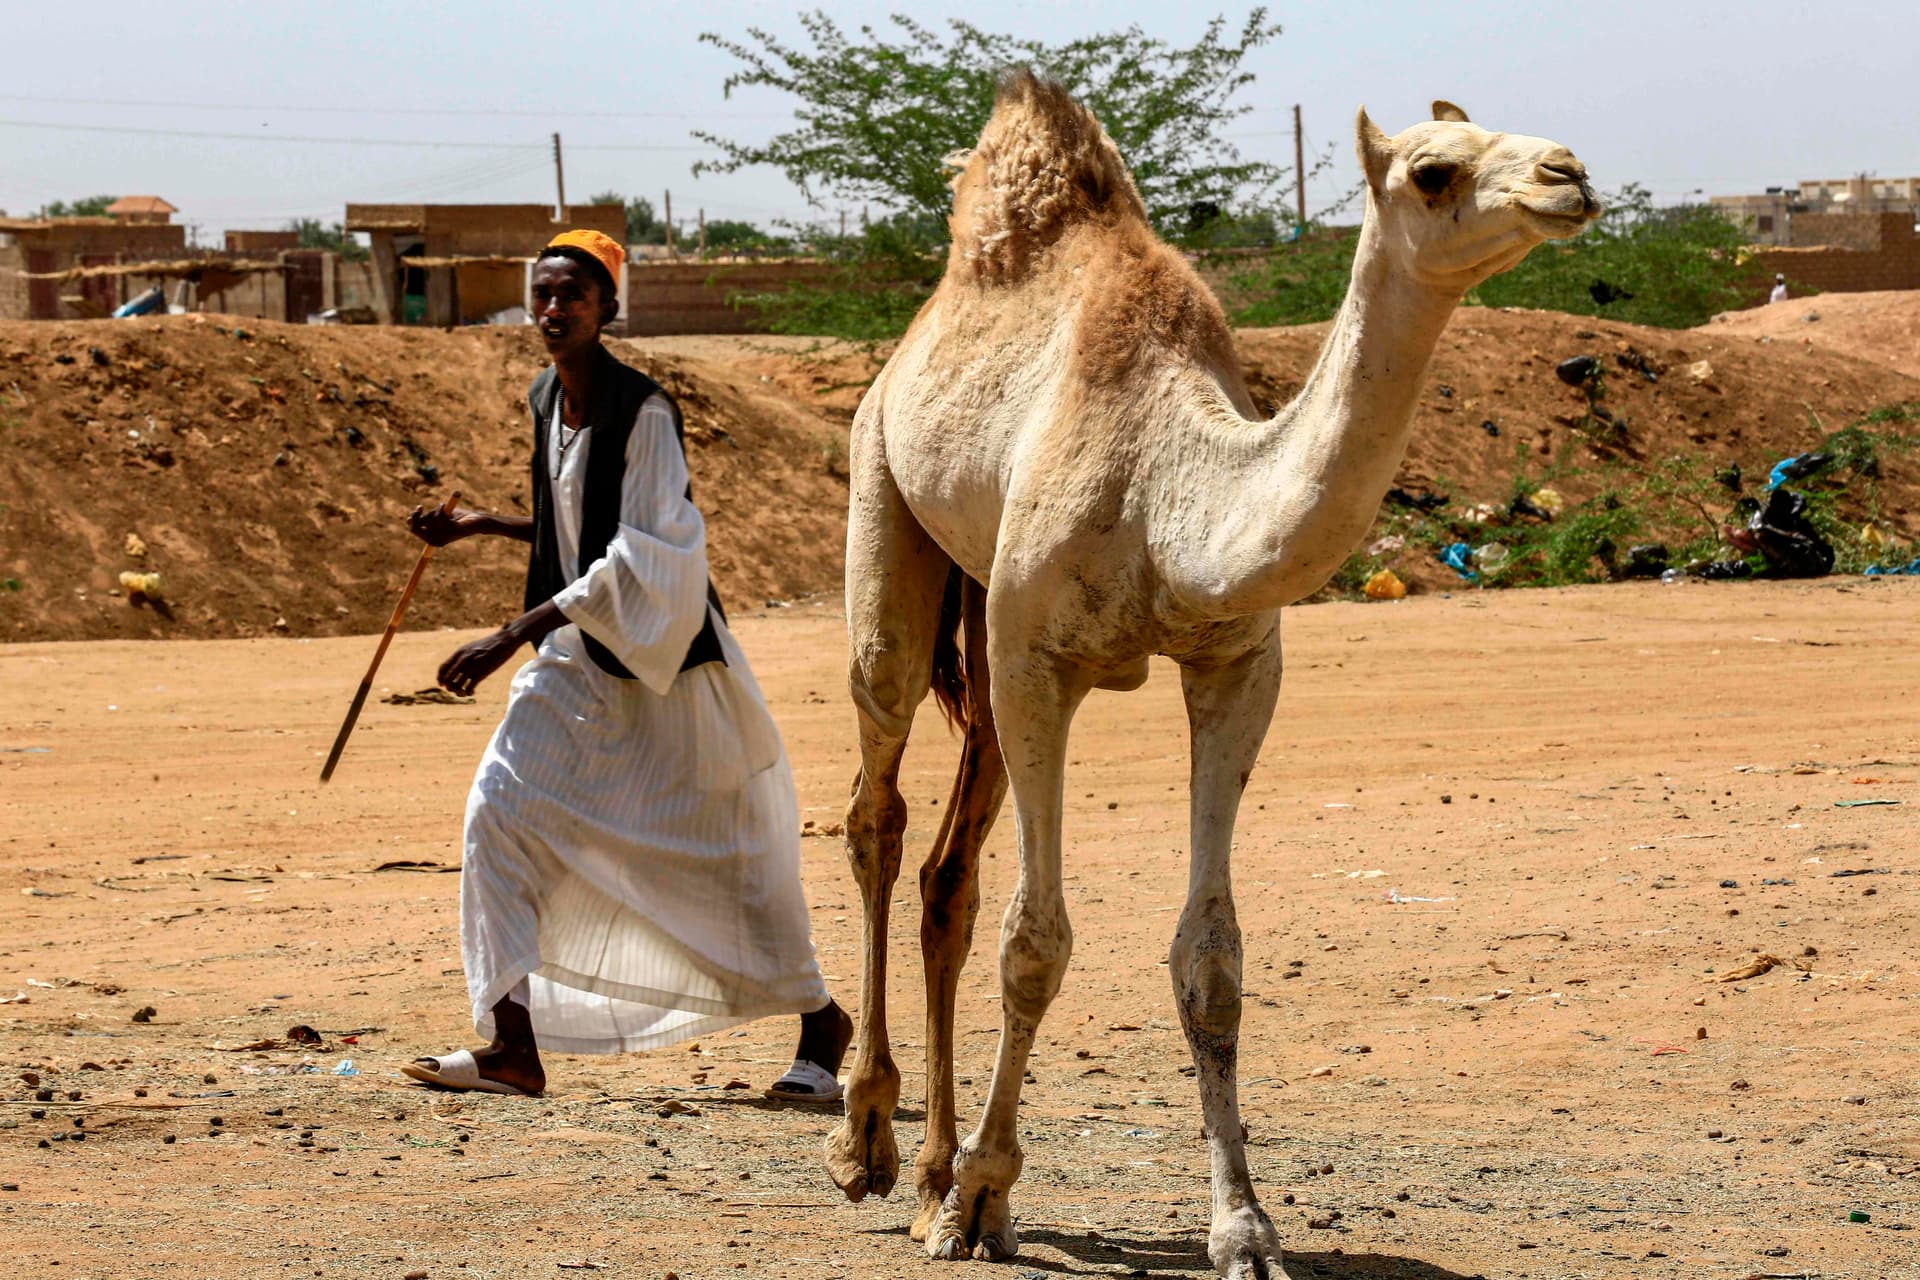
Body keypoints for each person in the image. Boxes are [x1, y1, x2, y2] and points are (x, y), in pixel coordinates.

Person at [399, 229, 850, 1101]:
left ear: (610, 308)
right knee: (497, 811)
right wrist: (482, 526)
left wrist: (508, 633)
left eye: (573, 294)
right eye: (543, 294)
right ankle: (511, 1045)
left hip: (667, 664)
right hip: (575, 655)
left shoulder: (644, 412)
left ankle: (822, 1023)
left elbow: (650, 556)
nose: (553, 309)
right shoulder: (543, 399)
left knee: (727, 852)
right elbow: (576, 532)